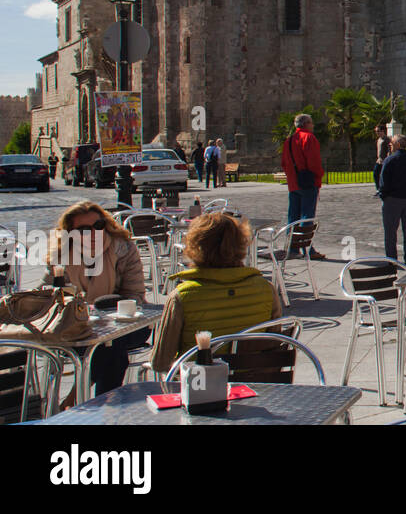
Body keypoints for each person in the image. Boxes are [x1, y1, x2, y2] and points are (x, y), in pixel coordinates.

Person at [149, 213, 281, 375]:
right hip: (255, 384)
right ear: (241, 244)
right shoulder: (266, 289)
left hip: (201, 388)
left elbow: (160, 363)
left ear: (194, 246)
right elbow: (275, 344)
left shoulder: (182, 296)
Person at [44, 201, 148, 398]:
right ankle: (105, 409)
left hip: (128, 322)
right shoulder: (61, 254)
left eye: (98, 226)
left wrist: (110, 314)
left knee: (109, 342)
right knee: (110, 351)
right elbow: (46, 293)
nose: (93, 233)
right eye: (84, 229)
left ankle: (76, 397)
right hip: (78, 326)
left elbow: (135, 294)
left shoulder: (123, 248)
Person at [280, 114, 325, 260]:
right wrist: (318, 175)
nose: (313, 125)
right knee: (307, 216)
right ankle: (307, 249)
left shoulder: (289, 141)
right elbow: (314, 161)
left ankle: (293, 247)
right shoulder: (309, 138)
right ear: (306, 124)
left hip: (293, 183)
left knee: (293, 216)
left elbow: (284, 163)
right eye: (311, 123)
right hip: (308, 182)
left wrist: (291, 177)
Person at [378, 134, 406, 267]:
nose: (390, 146)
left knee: (390, 231)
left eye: (391, 143)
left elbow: (383, 181)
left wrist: (384, 195)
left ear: (397, 144)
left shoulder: (390, 160)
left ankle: (391, 259)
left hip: (392, 199)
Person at [373, 125, 391, 196]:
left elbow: (389, 150)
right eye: (376, 131)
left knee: (384, 176)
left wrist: (387, 159)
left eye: (378, 131)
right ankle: (379, 189)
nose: (377, 133)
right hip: (379, 160)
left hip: (384, 160)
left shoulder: (387, 139)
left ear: (382, 131)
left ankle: (384, 189)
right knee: (375, 174)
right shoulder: (379, 139)